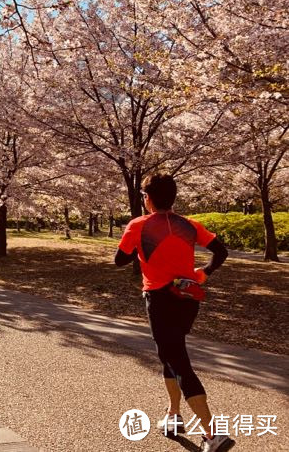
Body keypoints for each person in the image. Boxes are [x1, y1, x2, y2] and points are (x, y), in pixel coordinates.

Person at [115, 173, 229, 452]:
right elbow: (220, 251)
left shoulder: (138, 225)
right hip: (188, 299)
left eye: (144, 196)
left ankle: (213, 435)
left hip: (160, 299)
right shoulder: (188, 225)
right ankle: (173, 416)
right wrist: (205, 273)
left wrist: (141, 250)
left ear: (149, 199)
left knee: (177, 361)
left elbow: (120, 260)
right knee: (170, 354)